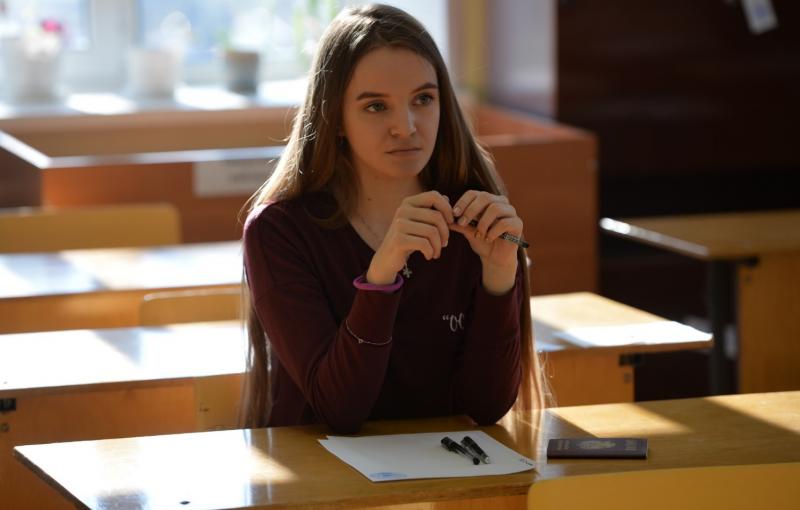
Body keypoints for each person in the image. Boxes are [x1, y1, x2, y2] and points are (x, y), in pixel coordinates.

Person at [240, 3, 547, 433]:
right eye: (375, 107)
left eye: (423, 99)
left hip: (445, 468)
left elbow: (486, 407)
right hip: (322, 470)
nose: (406, 126)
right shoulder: (279, 231)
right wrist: (381, 275)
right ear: (336, 118)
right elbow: (339, 410)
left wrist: (499, 277)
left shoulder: (474, 216)